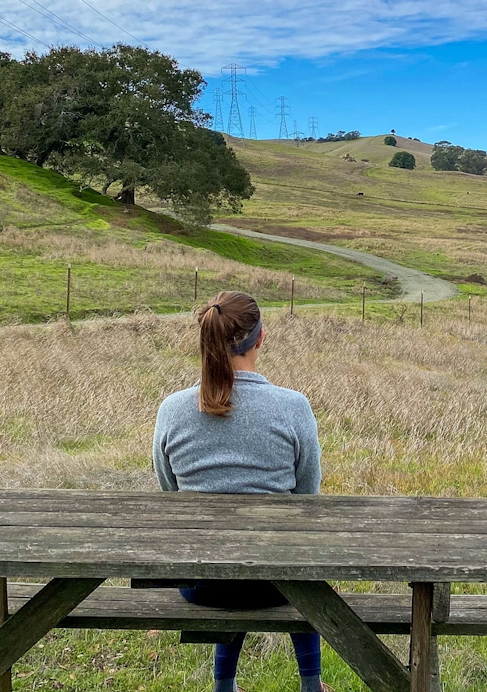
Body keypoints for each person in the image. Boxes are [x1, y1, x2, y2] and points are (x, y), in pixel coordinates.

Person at [153, 291, 325, 692]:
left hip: (200, 582)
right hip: (279, 583)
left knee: (232, 557)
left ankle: (223, 686)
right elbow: (307, 497)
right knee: (296, 554)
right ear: (260, 338)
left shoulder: (172, 410)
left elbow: (170, 492)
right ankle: (310, 684)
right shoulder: (292, 407)